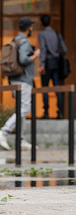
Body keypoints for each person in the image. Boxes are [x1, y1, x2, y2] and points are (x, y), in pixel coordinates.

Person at [0, 16, 40, 151]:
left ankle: (20, 140)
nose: (32, 29)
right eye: (31, 27)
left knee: (21, 109)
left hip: (15, 79)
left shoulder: (15, 40)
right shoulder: (24, 42)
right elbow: (23, 60)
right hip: (23, 80)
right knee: (24, 109)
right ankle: (4, 132)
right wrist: (36, 55)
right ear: (29, 28)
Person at [38, 14, 67, 119]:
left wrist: (42, 64)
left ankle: (46, 112)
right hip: (56, 63)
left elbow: (43, 50)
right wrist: (58, 55)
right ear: (51, 22)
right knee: (57, 87)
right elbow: (64, 50)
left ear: (41, 23)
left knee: (45, 88)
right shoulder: (57, 34)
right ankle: (60, 112)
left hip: (47, 63)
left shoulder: (42, 35)